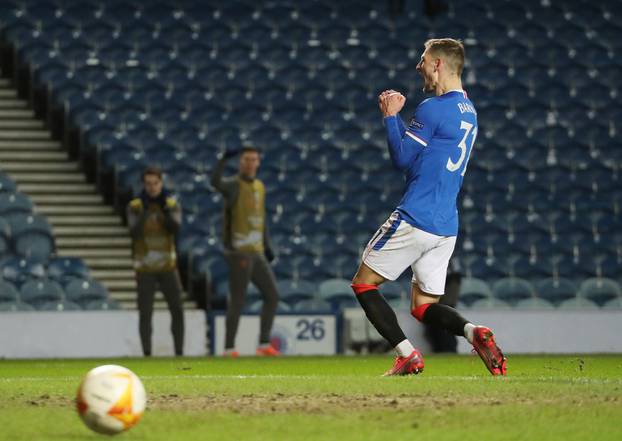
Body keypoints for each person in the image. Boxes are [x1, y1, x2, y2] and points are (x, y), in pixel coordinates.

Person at [350, 38, 507, 376]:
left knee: (363, 283)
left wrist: (392, 118)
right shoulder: (469, 111)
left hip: (416, 215)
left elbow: (403, 159)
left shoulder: (432, 108)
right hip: (446, 225)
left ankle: (406, 354)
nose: (418, 66)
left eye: (422, 60)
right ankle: (472, 331)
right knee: (424, 307)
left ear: (437, 64)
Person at [211, 146, 280, 357]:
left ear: (258, 163)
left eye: (254, 160)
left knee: (272, 295)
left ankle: (263, 344)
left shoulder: (260, 186)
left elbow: (261, 220)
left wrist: (267, 246)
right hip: (239, 252)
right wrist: (222, 160)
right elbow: (215, 183)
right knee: (238, 300)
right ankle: (229, 348)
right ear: (240, 163)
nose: (250, 164)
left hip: (257, 251)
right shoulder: (233, 185)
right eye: (246, 160)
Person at [127, 166, 184, 356]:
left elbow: (175, 228)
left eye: (155, 183)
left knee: (177, 309)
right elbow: (134, 232)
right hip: (145, 268)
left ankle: (179, 351)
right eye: (148, 184)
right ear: (144, 185)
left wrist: (163, 210)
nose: (152, 188)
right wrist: (145, 210)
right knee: (145, 313)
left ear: (161, 183)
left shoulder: (170, 203)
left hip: (168, 266)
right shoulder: (135, 206)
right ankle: (147, 353)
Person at [423, 257, 462, 353]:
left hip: (448, 283)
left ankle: (449, 349)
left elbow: (455, 276)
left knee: (444, 320)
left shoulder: (448, 255)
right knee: (433, 323)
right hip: (436, 285)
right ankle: (440, 349)